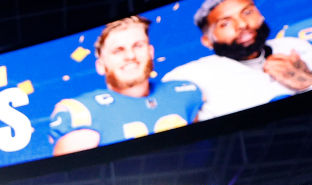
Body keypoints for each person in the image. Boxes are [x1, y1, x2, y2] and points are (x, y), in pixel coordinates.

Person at [50, 16, 201, 155]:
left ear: (150, 52)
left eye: (138, 46)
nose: (130, 56)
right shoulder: (83, 112)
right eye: (118, 50)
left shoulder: (185, 91)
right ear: (101, 66)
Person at [163, 0, 312, 121]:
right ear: (207, 40)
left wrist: (306, 82)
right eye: (225, 23)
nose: (242, 25)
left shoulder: (294, 46)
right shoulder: (191, 76)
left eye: (247, 12)